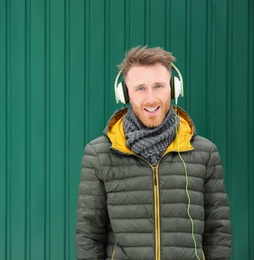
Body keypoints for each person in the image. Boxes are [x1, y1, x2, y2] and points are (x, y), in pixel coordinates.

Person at [75, 46, 232, 260]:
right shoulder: (99, 154)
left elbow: (218, 232)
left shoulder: (204, 153)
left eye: (158, 86)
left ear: (174, 88)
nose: (151, 99)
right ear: (125, 93)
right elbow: (89, 234)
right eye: (140, 88)